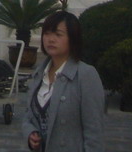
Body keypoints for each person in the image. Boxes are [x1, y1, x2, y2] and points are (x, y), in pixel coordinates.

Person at [22, 10, 105, 152]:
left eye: (58, 34)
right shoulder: (38, 74)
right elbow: (28, 115)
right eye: (47, 33)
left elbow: (94, 131)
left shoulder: (85, 75)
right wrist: (30, 133)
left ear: (72, 39)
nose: (51, 39)